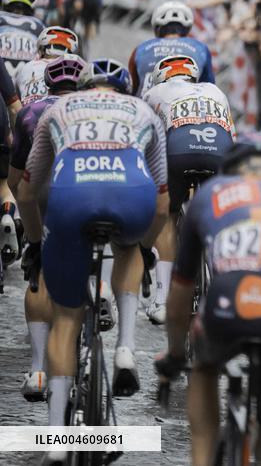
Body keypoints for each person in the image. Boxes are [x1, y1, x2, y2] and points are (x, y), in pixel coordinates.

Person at [19, 57, 168, 454]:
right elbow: (163, 204)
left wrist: (35, 243)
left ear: (84, 88)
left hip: (72, 198)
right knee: (130, 250)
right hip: (132, 197)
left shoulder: (58, 108)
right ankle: (125, 349)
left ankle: (55, 439)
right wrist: (145, 248)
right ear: (124, 91)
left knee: (66, 317)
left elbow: (29, 192)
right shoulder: (145, 110)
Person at [156, 143, 261, 466]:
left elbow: (181, 290)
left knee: (202, 368)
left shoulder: (211, 193)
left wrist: (175, 354)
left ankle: (202, 455)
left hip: (227, 307)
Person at [12, 54, 86, 403]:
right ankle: (100, 290)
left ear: (47, 84)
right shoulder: (100, 107)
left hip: (44, 191)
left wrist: (34, 236)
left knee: (40, 267)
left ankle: (39, 367)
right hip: (98, 188)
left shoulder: (32, 111)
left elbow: (16, 181)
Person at [142, 54, 235, 324]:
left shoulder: (154, 92)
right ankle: (223, 287)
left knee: (167, 213)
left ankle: (161, 300)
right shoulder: (216, 91)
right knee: (220, 214)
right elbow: (232, 134)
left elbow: (146, 138)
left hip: (179, 153)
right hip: (219, 154)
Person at [129, 1, 215, 96]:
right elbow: (209, 88)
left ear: (157, 27)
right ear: (187, 28)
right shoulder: (200, 48)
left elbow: (132, 88)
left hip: (147, 105)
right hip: (184, 105)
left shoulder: (141, 48)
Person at [14, 26, 79, 107]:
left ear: (41, 50)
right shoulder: (77, 70)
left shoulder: (26, 67)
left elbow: (15, 104)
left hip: (30, 116)